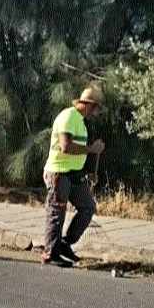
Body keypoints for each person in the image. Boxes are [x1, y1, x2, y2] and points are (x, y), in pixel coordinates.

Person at [41, 87, 106, 268]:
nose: (96, 112)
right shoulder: (68, 117)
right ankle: (50, 253)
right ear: (89, 105)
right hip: (59, 173)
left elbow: (77, 151)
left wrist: (89, 171)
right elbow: (65, 147)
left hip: (73, 174)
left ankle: (64, 244)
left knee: (87, 207)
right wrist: (92, 149)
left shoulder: (80, 121)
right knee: (57, 212)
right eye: (96, 108)